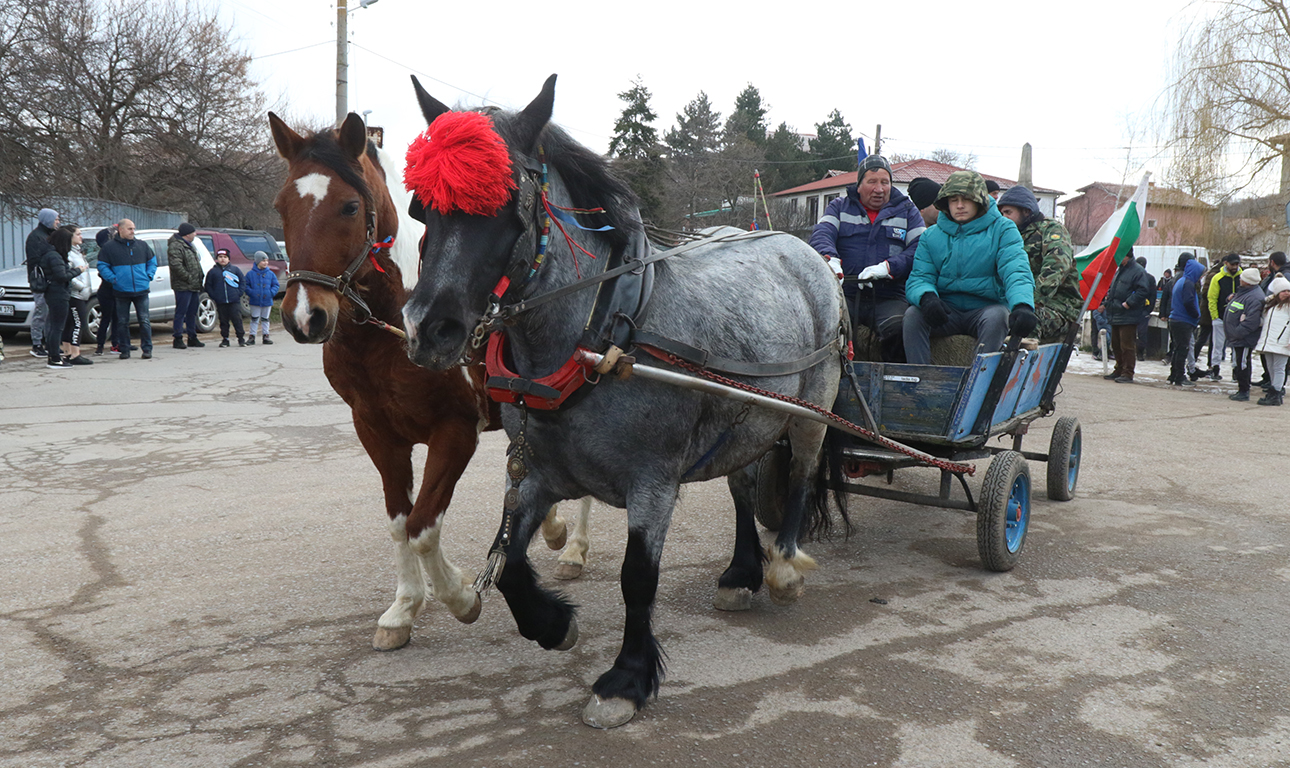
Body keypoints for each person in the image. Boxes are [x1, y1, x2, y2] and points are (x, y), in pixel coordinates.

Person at [902, 170, 1036, 365]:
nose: (959, 205)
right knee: (913, 315)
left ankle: (980, 380)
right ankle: (920, 378)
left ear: (980, 200)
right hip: (947, 311)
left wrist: (1023, 305)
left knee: (998, 316)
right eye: (953, 199)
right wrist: (927, 297)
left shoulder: (1003, 229)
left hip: (986, 308)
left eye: (966, 199)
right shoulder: (931, 236)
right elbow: (920, 276)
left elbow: (1016, 269)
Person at [809, 155, 925, 362]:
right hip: (846, 294)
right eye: (872, 182)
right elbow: (822, 234)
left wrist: (889, 268)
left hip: (889, 296)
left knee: (899, 329)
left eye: (885, 182)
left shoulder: (908, 210)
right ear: (859, 184)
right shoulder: (839, 206)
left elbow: (920, 249)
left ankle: (893, 387)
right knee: (827, 325)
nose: (879, 189)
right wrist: (830, 260)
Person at [996, 185, 1082, 342]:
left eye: (1008, 212)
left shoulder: (1050, 229)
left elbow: (1056, 267)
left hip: (1058, 305)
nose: (1004, 217)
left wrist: (1029, 302)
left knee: (1027, 321)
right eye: (1001, 213)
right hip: (1015, 301)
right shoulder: (1006, 235)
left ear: (1026, 211)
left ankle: (1022, 365)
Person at [96, 219, 156, 360]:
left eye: (133, 228)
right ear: (121, 230)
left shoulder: (142, 245)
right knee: (122, 321)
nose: (132, 231)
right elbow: (102, 265)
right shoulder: (109, 247)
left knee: (144, 320)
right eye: (129, 228)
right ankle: (124, 349)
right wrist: (113, 279)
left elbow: (152, 262)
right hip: (121, 290)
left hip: (141, 289)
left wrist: (148, 275)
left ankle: (147, 349)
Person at [37, 226, 85, 368]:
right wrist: (77, 271)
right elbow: (61, 276)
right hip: (58, 293)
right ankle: (55, 358)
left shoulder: (50, 254)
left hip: (54, 293)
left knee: (56, 326)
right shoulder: (55, 256)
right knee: (57, 327)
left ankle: (54, 357)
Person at [1103, 247, 1152, 383]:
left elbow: (1143, 291)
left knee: (1127, 345)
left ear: (1127, 255)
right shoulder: (1121, 271)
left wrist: (1128, 303)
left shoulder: (1138, 271)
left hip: (1128, 315)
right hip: (1116, 313)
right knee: (1116, 345)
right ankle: (1119, 368)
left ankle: (1128, 372)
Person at [1224, 268, 1265, 401]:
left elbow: (1251, 322)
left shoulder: (1254, 297)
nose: (1240, 280)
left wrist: (1237, 333)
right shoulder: (1245, 292)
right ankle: (1241, 388)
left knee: (1243, 364)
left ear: (1248, 282)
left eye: (1242, 278)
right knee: (1239, 363)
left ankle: (1244, 391)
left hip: (1244, 338)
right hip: (1237, 337)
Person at [25, 208, 59, 358]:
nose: (58, 222)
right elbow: (36, 261)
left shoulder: (50, 235)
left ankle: (49, 343)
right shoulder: (36, 237)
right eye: (56, 219)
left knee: (50, 313)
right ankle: (37, 343)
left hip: (50, 280)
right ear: (48, 219)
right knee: (41, 311)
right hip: (40, 281)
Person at [1167, 254, 1204, 386]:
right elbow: (1189, 301)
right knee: (1182, 349)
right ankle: (1179, 376)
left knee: (1178, 348)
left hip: (1176, 319)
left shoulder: (1181, 281)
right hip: (1183, 320)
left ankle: (1174, 374)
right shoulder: (1188, 283)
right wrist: (1196, 314)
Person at [1205, 253, 1244, 380]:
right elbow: (1212, 298)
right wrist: (1215, 317)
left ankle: (1236, 371)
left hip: (1238, 318)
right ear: (1226, 263)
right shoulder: (1218, 278)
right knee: (1217, 345)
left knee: (1236, 345)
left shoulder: (1242, 277)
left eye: (1237, 264)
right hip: (1221, 317)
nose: (1235, 266)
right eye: (1232, 264)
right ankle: (1215, 368)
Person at [168, 222, 206, 349]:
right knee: (181, 312)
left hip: (194, 285)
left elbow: (195, 262)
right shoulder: (176, 246)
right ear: (188, 234)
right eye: (193, 232)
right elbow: (176, 265)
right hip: (183, 286)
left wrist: (199, 277)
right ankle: (178, 338)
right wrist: (188, 277)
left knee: (192, 312)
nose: (195, 234)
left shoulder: (190, 245)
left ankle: (192, 336)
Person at [60, 225, 94, 366]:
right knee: (77, 323)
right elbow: (68, 275)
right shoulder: (68, 254)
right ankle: (74, 353)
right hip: (75, 295)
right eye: (78, 234)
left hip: (82, 295)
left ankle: (68, 352)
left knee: (71, 323)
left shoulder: (78, 252)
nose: (81, 237)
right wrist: (80, 287)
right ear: (70, 236)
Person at [1255, 275, 1290, 406]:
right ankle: (1273, 390)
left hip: (1283, 342)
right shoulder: (1271, 305)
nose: (1286, 293)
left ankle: (1276, 392)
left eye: (1288, 290)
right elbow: (1264, 321)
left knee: (1279, 367)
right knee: (1270, 367)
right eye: (1283, 291)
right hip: (1269, 341)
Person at [204, 248, 246, 347]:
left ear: (229, 259)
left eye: (225, 257)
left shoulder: (235, 270)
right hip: (221, 301)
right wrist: (214, 296)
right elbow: (208, 285)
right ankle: (225, 339)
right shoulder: (213, 272)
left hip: (234, 301)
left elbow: (242, 282)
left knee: (237, 320)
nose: (223, 259)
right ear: (217, 259)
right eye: (220, 257)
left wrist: (239, 293)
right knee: (223, 321)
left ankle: (241, 338)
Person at [244, 251, 279, 345]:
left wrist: (271, 293)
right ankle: (252, 336)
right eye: (263, 261)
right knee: (254, 319)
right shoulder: (250, 274)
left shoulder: (270, 274)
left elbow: (276, 285)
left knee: (265, 319)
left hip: (267, 300)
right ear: (257, 261)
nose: (266, 263)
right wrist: (252, 293)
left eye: (267, 261)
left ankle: (266, 336)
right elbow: (246, 285)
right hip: (254, 301)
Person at [1135, 256, 1157, 358]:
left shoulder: (1136, 277)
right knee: (1142, 333)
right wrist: (1149, 310)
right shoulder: (1150, 278)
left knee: (1134, 332)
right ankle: (1140, 353)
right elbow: (1153, 296)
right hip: (1143, 310)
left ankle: (1137, 352)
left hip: (1136, 309)